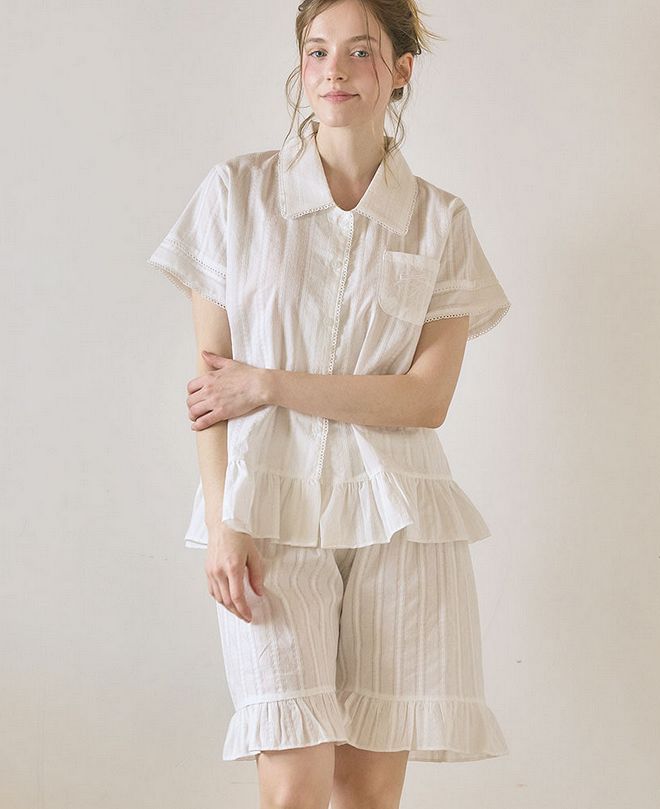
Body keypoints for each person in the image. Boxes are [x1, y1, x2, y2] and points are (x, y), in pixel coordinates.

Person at [147, 1, 511, 807]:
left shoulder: (441, 222)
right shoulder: (237, 195)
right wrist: (224, 521)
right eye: (316, 51)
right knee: (294, 788)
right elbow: (213, 390)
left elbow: (425, 400)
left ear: (401, 69)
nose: (333, 71)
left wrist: (272, 383)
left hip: (401, 523)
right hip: (266, 514)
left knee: (368, 796)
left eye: (359, 51)